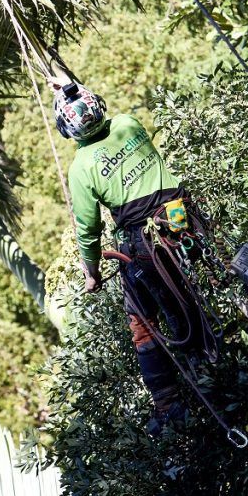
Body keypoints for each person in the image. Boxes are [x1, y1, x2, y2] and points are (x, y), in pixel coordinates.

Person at [52, 78, 208, 436]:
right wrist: (70, 88)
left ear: (66, 129)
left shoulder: (81, 168)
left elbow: (88, 231)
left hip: (145, 241)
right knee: (209, 276)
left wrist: (91, 274)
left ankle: (169, 404)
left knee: (140, 317)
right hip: (183, 216)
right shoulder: (126, 123)